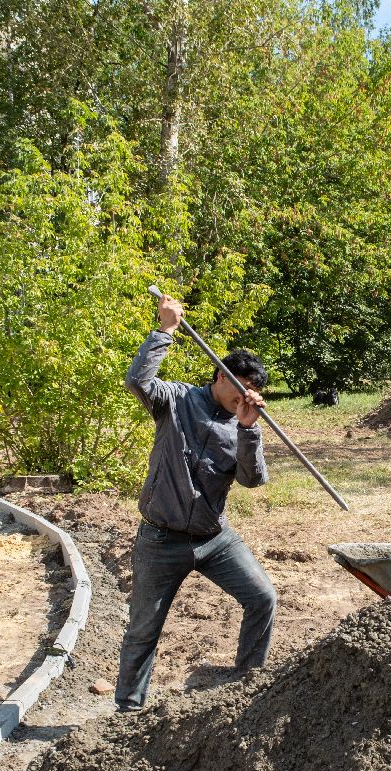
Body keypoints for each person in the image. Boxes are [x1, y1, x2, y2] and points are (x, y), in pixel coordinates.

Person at [114, 293, 278, 712]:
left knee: (262, 597)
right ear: (222, 377)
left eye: (255, 393)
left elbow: (252, 480)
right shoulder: (177, 400)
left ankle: (245, 690)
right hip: (160, 538)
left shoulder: (242, 422)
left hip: (213, 537)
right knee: (143, 629)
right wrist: (164, 331)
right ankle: (128, 711)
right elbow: (138, 382)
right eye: (244, 389)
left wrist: (248, 431)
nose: (248, 398)